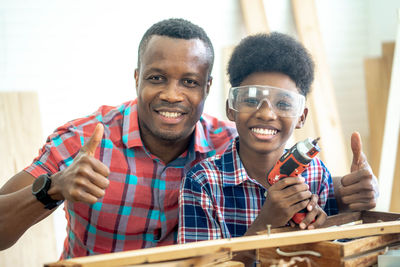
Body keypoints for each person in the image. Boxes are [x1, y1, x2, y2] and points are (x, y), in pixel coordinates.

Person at [0, 19, 377, 259]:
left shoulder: (229, 142)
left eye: (190, 82)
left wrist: (342, 189)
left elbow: (276, 174)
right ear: (137, 78)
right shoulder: (83, 142)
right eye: (157, 78)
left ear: (209, 88)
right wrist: (52, 188)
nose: (172, 95)